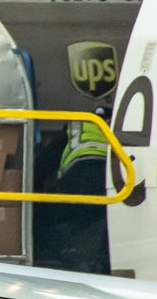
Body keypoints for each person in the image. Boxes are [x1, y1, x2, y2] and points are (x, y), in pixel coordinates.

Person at [34, 108, 114, 274]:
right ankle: (102, 258)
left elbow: (43, 164)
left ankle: (64, 254)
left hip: (75, 183)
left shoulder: (76, 127)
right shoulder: (124, 125)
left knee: (43, 217)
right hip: (108, 187)